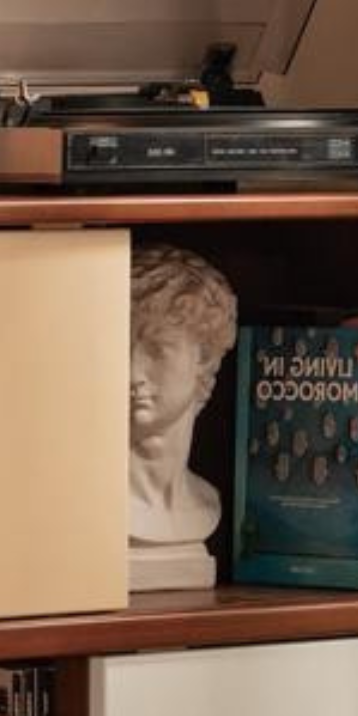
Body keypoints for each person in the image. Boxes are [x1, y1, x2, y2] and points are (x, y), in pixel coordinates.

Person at [127, 241, 238, 587]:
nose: (131, 374)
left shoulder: (206, 502)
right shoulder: (81, 504)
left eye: (157, 351)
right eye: (119, 347)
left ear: (204, 358)